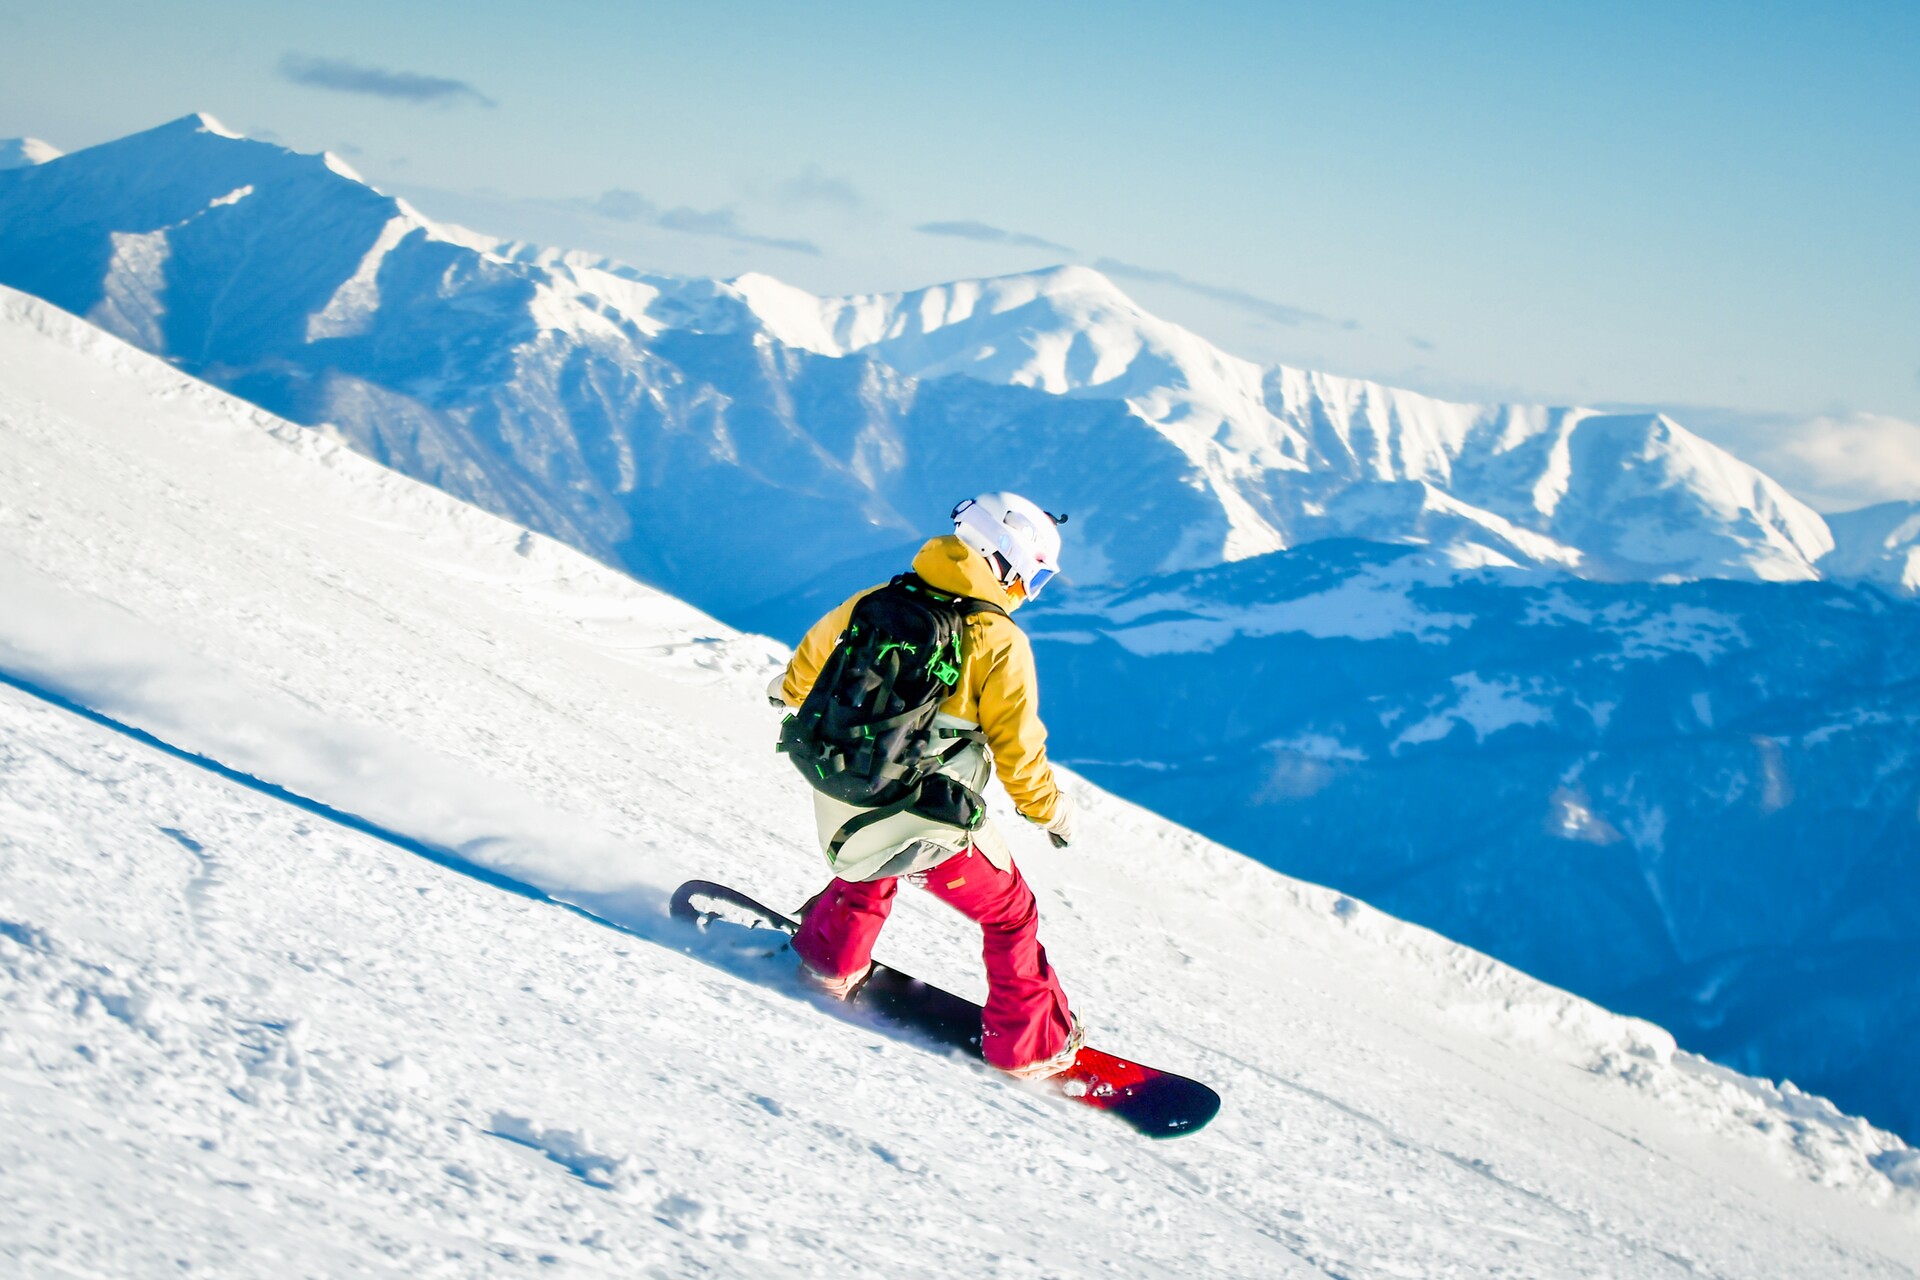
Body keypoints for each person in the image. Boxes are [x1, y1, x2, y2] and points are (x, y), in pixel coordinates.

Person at [768, 492, 1082, 1079]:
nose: (1025, 593)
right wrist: (1051, 813)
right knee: (1012, 914)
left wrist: (786, 694)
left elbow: (811, 657)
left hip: (840, 793)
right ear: (1003, 558)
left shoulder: (879, 600)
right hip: (927, 820)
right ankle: (1029, 1047)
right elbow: (1019, 753)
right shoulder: (998, 640)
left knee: (872, 863)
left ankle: (830, 963)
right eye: (1030, 577)